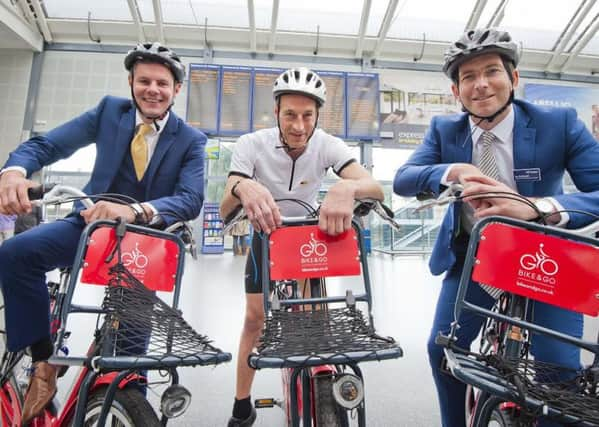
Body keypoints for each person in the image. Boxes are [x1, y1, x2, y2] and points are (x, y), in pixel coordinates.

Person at [394, 27, 599, 427]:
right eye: (468, 77)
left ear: (514, 79)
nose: (481, 84)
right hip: (477, 256)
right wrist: (453, 169)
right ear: (456, 91)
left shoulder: (558, 123)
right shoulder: (444, 131)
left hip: (546, 255)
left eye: (491, 71)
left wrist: (537, 208)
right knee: (444, 350)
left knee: (558, 374)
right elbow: (405, 178)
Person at [0, 42, 206, 423]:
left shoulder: (192, 140)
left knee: (129, 356)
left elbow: (191, 199)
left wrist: (134, 210)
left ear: (176, 89)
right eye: (144, 80)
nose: (152, 89)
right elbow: (48, 144)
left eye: (162, 83)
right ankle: (44, 361)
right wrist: (13, 172)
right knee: (15, 255)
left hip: (145, 242)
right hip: (89, 227)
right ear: (130, 82)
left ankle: (126, 399)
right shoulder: (109, 111)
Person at [220, 67, 384, 427]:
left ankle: (315, 371)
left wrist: (346, 188)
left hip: (310, 238)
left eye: (307, 115)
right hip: (268, 236)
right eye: (290, 114)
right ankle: (241, 404)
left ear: (317, 116)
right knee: (254, 318)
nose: (298, 125)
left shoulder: (327, 144)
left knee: (317, 316)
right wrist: (243, 188)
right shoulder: (252, 144)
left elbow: (374, 187)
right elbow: (225, 203)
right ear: (276, 112)